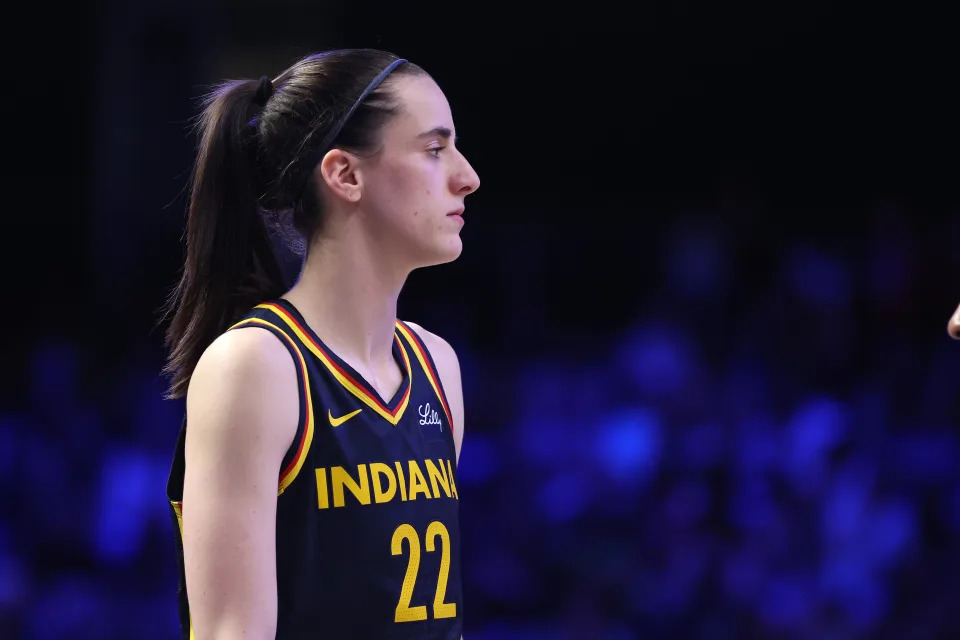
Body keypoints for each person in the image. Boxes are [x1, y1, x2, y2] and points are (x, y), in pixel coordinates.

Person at [161, 48, 480, 640]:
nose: (467, 175)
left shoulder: (437, 365)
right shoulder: (255, 366)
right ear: (345, 174)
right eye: (435, 149)